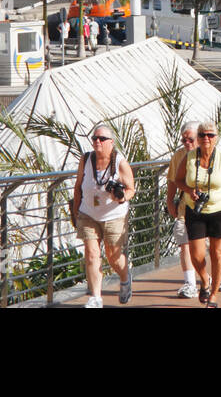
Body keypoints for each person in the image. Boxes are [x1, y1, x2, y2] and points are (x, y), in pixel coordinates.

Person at [175, 119, 221, 307]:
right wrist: (189, 191)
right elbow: (177, 180)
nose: (206, 138)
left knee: (217, 253)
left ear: (216, 138)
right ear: (198, 137)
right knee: (196, 255)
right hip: (195, 211)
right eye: (202, 135)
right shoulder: (189, 158)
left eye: (210, 135)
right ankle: (205, 279)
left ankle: (213, 295)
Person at [70, 124, 135, 308]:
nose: (97, 142)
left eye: (102, 139)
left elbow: (131, 189)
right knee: (91, 254)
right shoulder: (86, 159)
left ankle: (124, 277)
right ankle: (96, 297)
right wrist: (76, 211)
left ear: (111, 143)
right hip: (88, 213)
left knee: (113, 256)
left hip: (114, 215)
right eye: (94, 138)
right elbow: (78, 186)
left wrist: (121, 198)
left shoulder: (120, 163)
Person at [165, 122, 221, 298]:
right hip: (188, 209)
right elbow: (172, 180)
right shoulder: (179, 156)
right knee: (185, 243)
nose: (187, 143)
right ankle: (191, 283)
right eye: (183, 140)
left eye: (190, 139)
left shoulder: (216, 156)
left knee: (215, 245)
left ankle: (218, 275)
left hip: (214, 208)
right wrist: (170, 201)